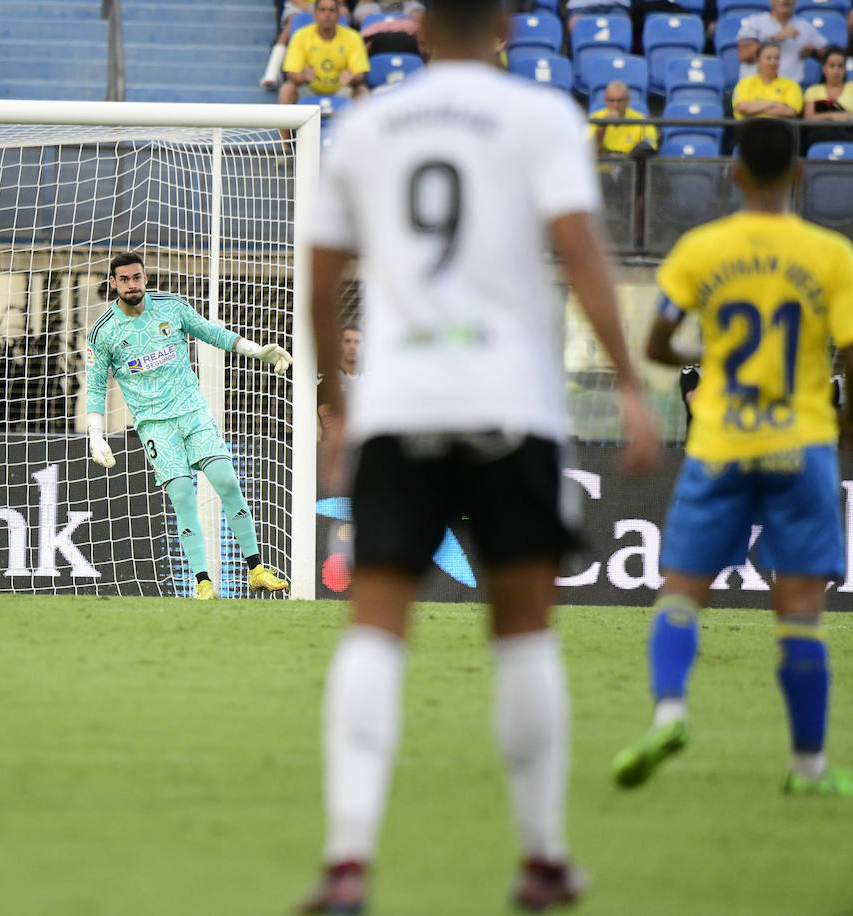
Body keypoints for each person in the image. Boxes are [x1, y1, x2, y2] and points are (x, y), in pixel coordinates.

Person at [301, 0, 661, 906]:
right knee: (525, 627)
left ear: (418, 30)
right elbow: (581, 252)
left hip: (399, 401)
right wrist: (628, 382)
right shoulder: (541, 117)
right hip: (509, 403)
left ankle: (348, 859)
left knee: (378, 618)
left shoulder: (369, 123)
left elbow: (322, 270)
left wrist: (337, 401)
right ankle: (541, 856)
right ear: (504, 24)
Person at [612, 118, 853, 799]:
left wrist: (703, 356)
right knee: (801, 610)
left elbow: (658, 346)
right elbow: (851, 352)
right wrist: (845, 430)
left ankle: (668, 713)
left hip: (720, 442)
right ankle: (807, 768)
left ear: (734, 172)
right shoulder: (831, 255)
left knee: (683, 592)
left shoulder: (701, 249)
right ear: (801, 175)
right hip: (800, 440)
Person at [84, 252, 293, 600]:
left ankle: (256, 569)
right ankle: (203, 583)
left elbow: (212, 333)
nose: (132, 284)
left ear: (146, 278)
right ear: (113, 283)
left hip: (192, 412)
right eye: (124, 279)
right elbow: (93, 385)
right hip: (155, 425)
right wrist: (94, 433)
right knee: (182, 496)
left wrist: (257, 351)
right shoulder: (103, 332)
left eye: (137, 277)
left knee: (227, 481)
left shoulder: (171, 308)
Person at [280, 0, 371, 108]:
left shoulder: (353, 37)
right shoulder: (300, 36)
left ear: (338, 15)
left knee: (362, 91)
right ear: (315, 14)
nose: (327, 14)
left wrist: (353, 78)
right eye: (322, 10)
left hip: (342, 90)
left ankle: (364, 125)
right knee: (287, 89)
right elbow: (291, 73)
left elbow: (360, 73)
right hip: (308, 89)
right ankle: (283, 125)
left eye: (332, 10)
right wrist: (303, 77)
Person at [737, 0, 827, 84]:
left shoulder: (805, 27)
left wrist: (812, 52)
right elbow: (744, 54)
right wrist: (776, 37)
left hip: (789, 93)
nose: (785, 0)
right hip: (754, 92)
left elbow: (828, 54)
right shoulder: (755, 23)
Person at [733, 41, 803, 120]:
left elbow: (790, 111)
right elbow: (742, 108)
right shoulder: (744, 83)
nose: (773, 62)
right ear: (757, 61)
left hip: (780, 128)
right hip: (750, 128)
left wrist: (755, 108)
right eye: (768, 58)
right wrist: (773, 103)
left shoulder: (792, 85)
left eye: (776, 58)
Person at [587, 81, 659, 156]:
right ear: (605, 100)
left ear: (628, 100)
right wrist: (602, 126)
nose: (615, 105)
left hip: (631, 165)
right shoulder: (593, 119)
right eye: (611, 100)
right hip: (602, 167)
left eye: (620, 100)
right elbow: (588, 153)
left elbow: (650, 149)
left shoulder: (642, 121)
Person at [803, 46, 853, 145]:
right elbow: (808, 117)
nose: (836, 70)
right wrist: (833, 116)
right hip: (820, 136)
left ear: (845, 69)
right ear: (824, 68)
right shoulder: (813, 91)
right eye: (832, 66)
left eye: (840, 66)